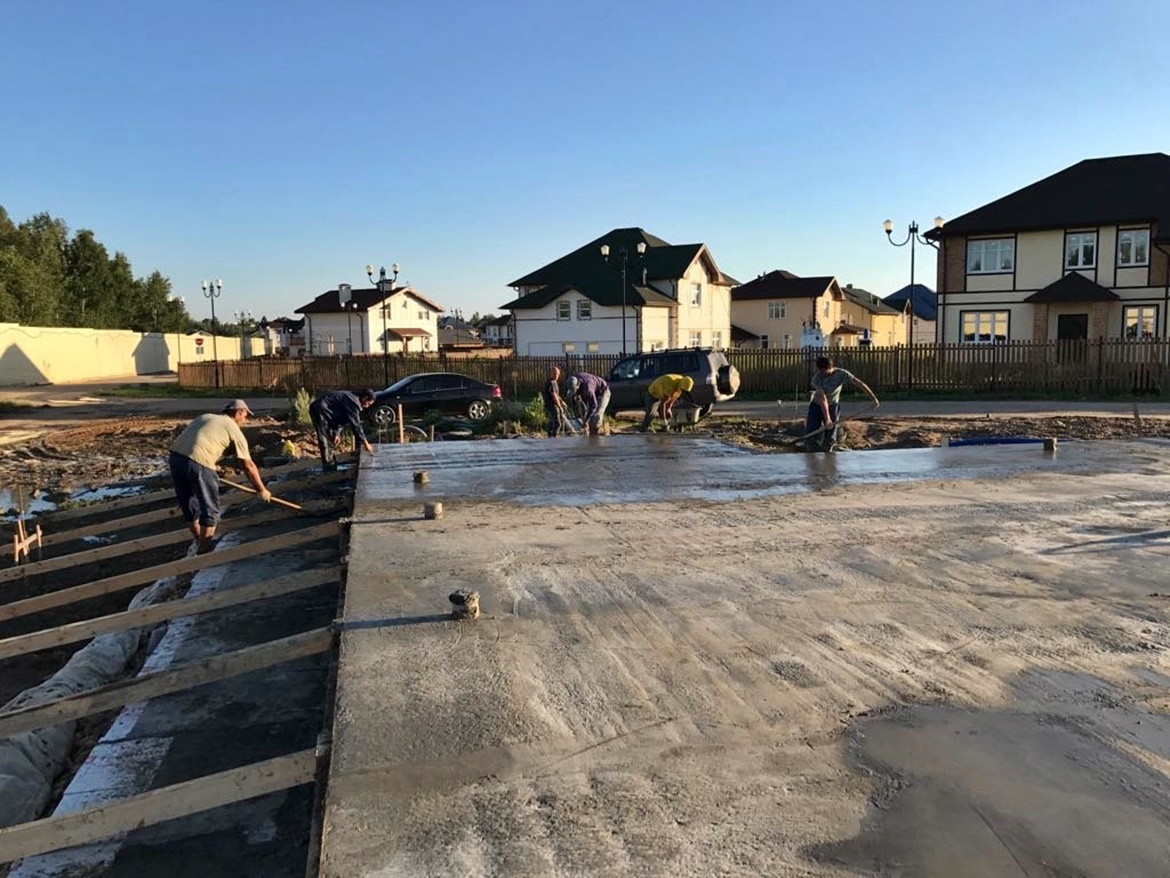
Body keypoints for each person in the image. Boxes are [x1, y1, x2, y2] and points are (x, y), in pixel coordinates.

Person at [169, 399, 271, 553]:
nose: (245, 421)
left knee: (189, 504)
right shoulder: (233, 429)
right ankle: (204, 549)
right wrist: (261, 489)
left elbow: (197, 439)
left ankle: (198, 541)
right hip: (199, 461)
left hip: (176, 458)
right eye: (245, 416)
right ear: (238, 413)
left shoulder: (206, 417)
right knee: (210, 508)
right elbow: (248, 465)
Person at [805, 355, 880, 451]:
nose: (822, 373)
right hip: (817, 406)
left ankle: (828, 452)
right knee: (812, 431)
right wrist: (827, 418)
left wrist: (874, 399)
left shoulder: (842, 374)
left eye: (824, 371)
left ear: (830, 367)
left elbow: (860, 384)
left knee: (831, 433)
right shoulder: (817, 378)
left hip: (833, 406)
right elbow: (823, 399)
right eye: (820, 371)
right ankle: (811, 450)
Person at [309, 388, 376, 471]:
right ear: (365, 398)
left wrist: (336, 433)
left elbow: (342, 419)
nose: (367, 406)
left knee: (332, 438)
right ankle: (328, 468)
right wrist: (366, 443)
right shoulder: (353, 402)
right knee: (325, 439)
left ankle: (331, 464)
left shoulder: (353, 400)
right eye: (368, 403)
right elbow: (356, 425)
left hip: (329, 413)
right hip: (319, 410)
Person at [566, 372, 611, 436]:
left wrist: (586, 420)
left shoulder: (588, 388)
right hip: (593, 388)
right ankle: (588, 433)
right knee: (588, 417)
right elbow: (582, 405)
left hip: (603, 391)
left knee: (595, 416)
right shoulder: (572, 379)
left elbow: (594, 405)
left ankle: (595, 436)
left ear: (578, 385)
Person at [542, 366, 564, 437]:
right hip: (551, 405)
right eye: (554, 373)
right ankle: (554, 436)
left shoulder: (555, 382)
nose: (555, 375)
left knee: (552, 421)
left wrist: (562, 401)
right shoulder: (550, 382)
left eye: (557, 374)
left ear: (559, 375)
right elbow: (553, 395)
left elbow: (557, 395)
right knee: (558, 423)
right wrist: (560, 406)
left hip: (554, 404)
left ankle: (549, 435)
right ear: (551, 373)